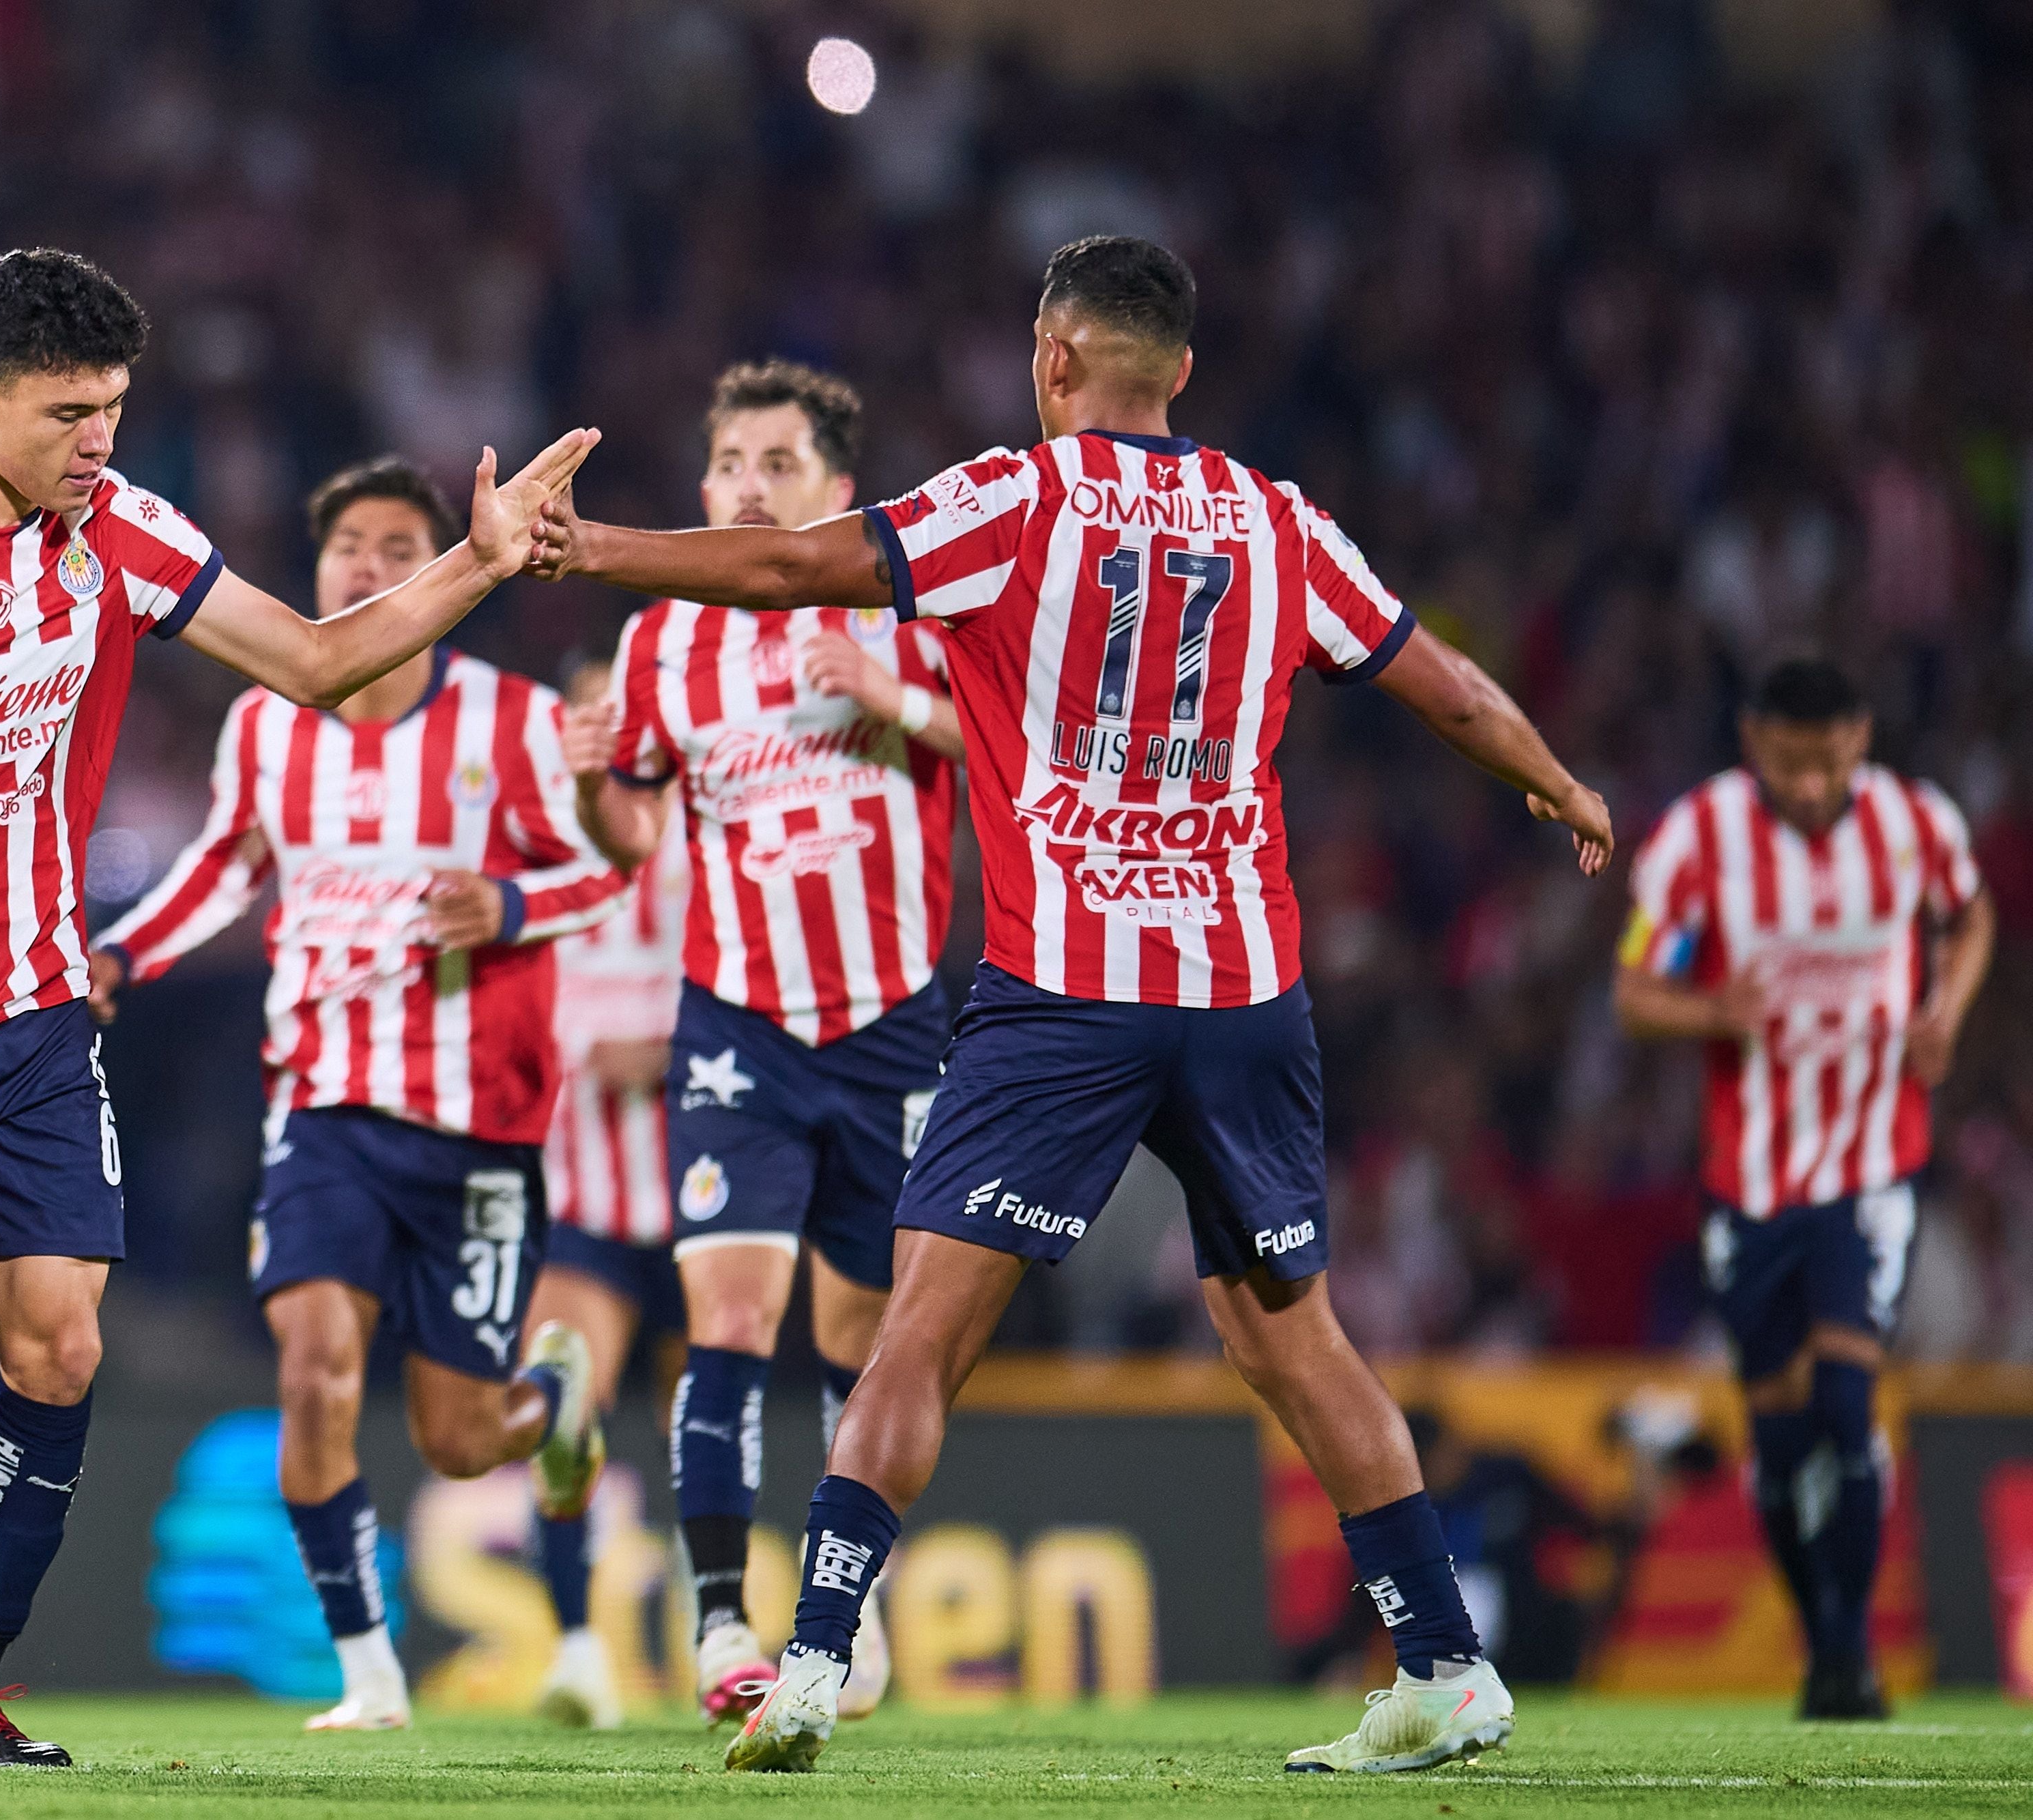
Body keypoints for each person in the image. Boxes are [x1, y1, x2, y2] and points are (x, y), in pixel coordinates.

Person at [525, 235, 1614, 1775]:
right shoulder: (1273, 516)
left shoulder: (1012, 499)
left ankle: (815, 1660)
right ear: (1181, 371)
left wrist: (586, 550)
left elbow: (784, 567)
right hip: (1243, 988)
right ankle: (1443, 1661)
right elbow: (1435, 677)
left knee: (921, 1330)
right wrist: (1558, 781)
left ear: (1051, 360)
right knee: (1289, 1335)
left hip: (1066, 993)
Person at [0, 249, 595, 1767]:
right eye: (72, 410)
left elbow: (328, 663)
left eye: (116, 408)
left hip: (31, 1006)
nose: (102, 440)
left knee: (63, 1350)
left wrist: (475, 562)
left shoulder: (124, 533)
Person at [87, 457, 620, 1733]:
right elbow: (225, 866)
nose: (368, 570)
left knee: (459, 1438)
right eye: (348, 549)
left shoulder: (515, 723)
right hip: (323, 1106)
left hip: (480, 1122)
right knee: (315, 1367)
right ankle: (368, 1671)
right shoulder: (271, 719)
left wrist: (512, 905)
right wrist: (120, 957)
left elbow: (608, 877)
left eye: (397, 548)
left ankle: (555, 1409)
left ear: (445, 574)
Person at [561, 360, 962, 1724]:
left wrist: (891, 696)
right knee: (723, 1321)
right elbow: (634, 832)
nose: (745, 484)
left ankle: (851, 1601)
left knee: (865, 1340)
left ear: (839, 491)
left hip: (889, 1023)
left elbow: (1022, 748)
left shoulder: (908, 605)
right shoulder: (662, 639)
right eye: (730, 460)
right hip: (735, 1020)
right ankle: (721, 1620)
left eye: (777, 463)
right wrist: (585, 777)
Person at [1614, 657, 1991, 1720]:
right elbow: (1636, 988)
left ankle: (1845, 1654)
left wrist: (1947, 1014)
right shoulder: (1698, 842)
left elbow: (1972, 918)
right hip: (1751, 1181)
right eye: (1792, 764)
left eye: (1831, 763)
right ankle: (1827, 1643)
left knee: (1844, 1397)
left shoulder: (1917, 826)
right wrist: (1708, 1013)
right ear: (1752, 742)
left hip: (1871, 1165)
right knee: (1778, 1436)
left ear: (1861, 738)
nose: (1814, 786)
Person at [525, 651, 691, 1731]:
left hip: (712, 1192)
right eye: (580, 713)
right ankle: (580, 1649)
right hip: (584, 1191)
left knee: (708, 1430)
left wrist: (668, 1047)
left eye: (613, 714)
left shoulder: (706, 817)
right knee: (560, 1416)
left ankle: (715, 1631)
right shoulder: (534, 834)